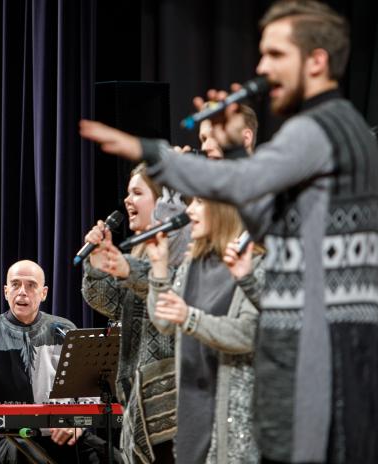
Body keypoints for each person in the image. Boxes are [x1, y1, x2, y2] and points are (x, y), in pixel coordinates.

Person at [79, 1, 378, 462]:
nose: (263, 68)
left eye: (276, 54)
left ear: (316, 60)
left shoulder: (320, 139)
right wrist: (148, 267)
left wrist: (159, 159)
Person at [0, 260, 115, 463]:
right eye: (15, 284)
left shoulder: (65, 329)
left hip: (64, 432)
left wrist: (78, 423)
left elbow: (89, 386)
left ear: (44, 293)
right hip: (12, 437)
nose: (22, 292)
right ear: (6, 291)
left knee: (115, 458)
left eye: (31, 285)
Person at [81, 163, 190, 464]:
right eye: (128, 193)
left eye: (138, 193)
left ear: (163, 203)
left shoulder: (184, 253)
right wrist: (96, 263)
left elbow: (170, 285)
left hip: (171, 407)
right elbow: (107, 301)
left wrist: (128, 269)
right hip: (139, 402)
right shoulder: (138, 255)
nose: (127, 200)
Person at [146, 198, 264, 463]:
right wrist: (159, 267)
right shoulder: (193, 263)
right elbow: (165, 322)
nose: (189, 210)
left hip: (233, 419)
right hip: (191, 409)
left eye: (199, 201)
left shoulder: (254, 264)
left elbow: (249, 334)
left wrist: (191, 318)